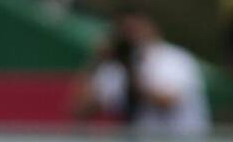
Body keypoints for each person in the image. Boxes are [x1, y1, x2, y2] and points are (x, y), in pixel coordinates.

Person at [74, 12, 210, 135]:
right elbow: (81, 110)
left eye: (135, 29)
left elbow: (168, 102)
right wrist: (97, 62)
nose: (131, 36)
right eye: (125, 31)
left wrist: (132, 73)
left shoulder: (173, 59)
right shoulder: (116, 67)